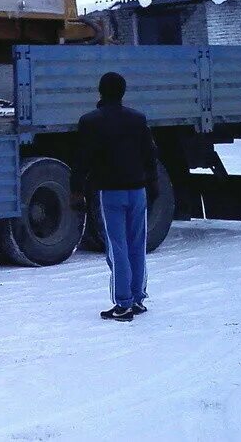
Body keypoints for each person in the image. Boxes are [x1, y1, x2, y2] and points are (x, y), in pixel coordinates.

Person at [72, 72, 160, 322]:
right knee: (137, 244)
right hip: (138, 191)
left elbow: (82, 160)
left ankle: (123, 304)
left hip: (110, 193)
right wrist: (153, 186)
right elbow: (150, 154)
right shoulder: (137, 119)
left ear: (100, 91)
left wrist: (76, 189)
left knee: (117, 247)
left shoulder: (90, 122)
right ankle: (138, 297)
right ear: (123, 92)